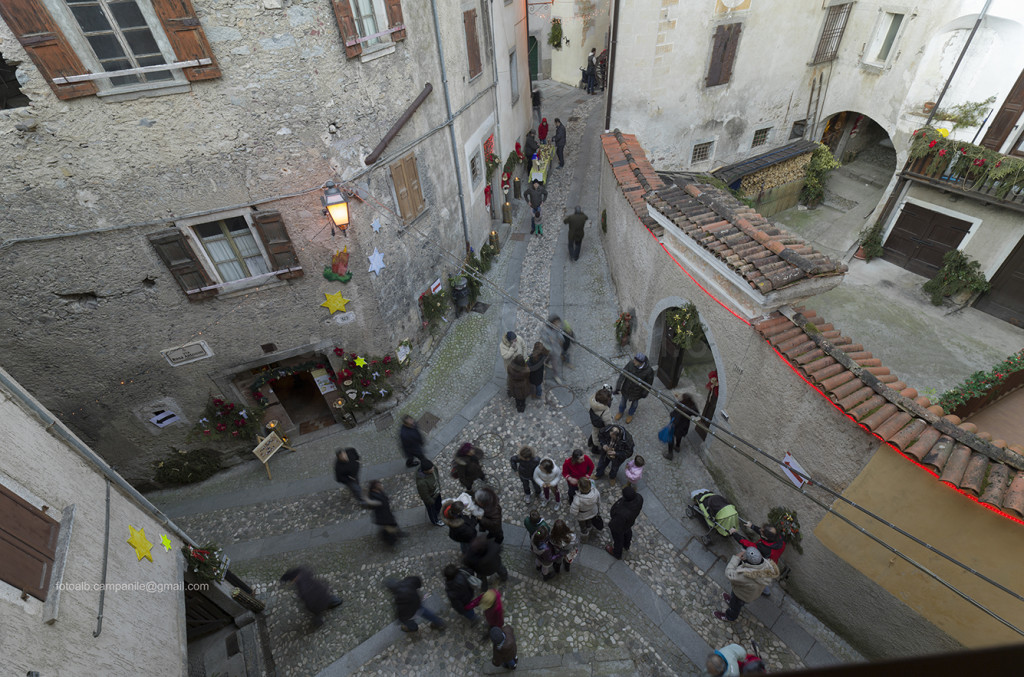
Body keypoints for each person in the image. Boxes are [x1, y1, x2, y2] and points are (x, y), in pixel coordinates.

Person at [714, 547, 780, 623]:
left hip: (741, 595)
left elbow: (729, 574)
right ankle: (731, 601)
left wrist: (736, 558)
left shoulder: (746, 575)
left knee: (735, 607)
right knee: (736, 602)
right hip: (749, 594)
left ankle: (730, 617)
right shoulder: (767, 566)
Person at [614, 353, 655, 423]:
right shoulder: (630, 364)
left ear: (641, 362)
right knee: (622, 402)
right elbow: (623, 374)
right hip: (626, 388)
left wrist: (645, 393)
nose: (633, 361)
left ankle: (630, 414)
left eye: (636, 361)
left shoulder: (649, 371)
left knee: (634, 404)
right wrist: (618, 386)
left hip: (637, 392)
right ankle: (620, 412)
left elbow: (649, 384)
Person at [606, 485, 643, 559]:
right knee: (627, 531)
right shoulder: (639, 498)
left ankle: (617, 553)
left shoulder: (622, 513)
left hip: (619, 526)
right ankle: (626, 545)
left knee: (618, 539)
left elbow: (616, 525)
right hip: (629, 522)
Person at [665, 392, 699, 460]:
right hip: (684, 425)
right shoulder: (692, 406)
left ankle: (670, 454)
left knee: (670, 437)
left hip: (676, 424)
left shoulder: (681, 405)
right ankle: (677, 447)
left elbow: (674, 412)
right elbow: (697, 414)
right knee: (679, 436)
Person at [367, 480, 400, 545]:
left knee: (392, 526)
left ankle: (394, 535)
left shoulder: (380, 491)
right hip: (383, 517)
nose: (381, 486)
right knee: (389, 529)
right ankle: (391, 541)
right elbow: (372, 505)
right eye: (379, 485)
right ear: (374, 489)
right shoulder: (373, 497)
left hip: (387, 513)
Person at [415, 459, 444, 526]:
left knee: (438, 505)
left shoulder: (433, 468)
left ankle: (438, 511)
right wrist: (431, 502)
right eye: (431, 468)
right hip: (431, 498)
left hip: (437, 493)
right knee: (432, 511)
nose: (433, 468)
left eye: (432, 467)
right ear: (426, 471)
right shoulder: (421, 483)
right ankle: (435, 521)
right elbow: (424, 495)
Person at [588, 387, 615, 452]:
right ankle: (594, 450)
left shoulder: (593, 402)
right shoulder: (605, 411)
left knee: (594, 434)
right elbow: (608, 425)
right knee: (598, 439)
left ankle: (590, 443)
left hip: (595, 424)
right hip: (600, 428)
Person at [540, 315, 565, 384]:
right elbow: (543, 337)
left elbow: (560, 334)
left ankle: (555, 374)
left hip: (555, 349)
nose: (558, 324)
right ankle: (548, 365)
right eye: (556, 322)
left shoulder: (557, 327)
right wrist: (549, 339)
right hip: (548, 348)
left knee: (555, 362)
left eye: (558, 322)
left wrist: (561, 339)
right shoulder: (545, 329)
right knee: (548, 357)